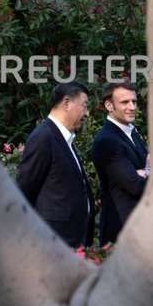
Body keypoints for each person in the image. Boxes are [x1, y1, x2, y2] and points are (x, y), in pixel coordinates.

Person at [17, 81, 95, 248]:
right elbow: (24, 190)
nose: (87, 113)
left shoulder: (65, 139)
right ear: (66, 103)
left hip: (72, 241)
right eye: (84, 105)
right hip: (54, 242)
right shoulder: (43, 137)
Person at [92, 81, 148, 245]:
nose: (132, 107)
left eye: (134, 101)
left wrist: (144, 172)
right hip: (121, 228)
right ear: (109, 105)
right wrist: (149, 172)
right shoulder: (106, 141)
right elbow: (135, 185)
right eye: (125, 102)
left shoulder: (133, 133)